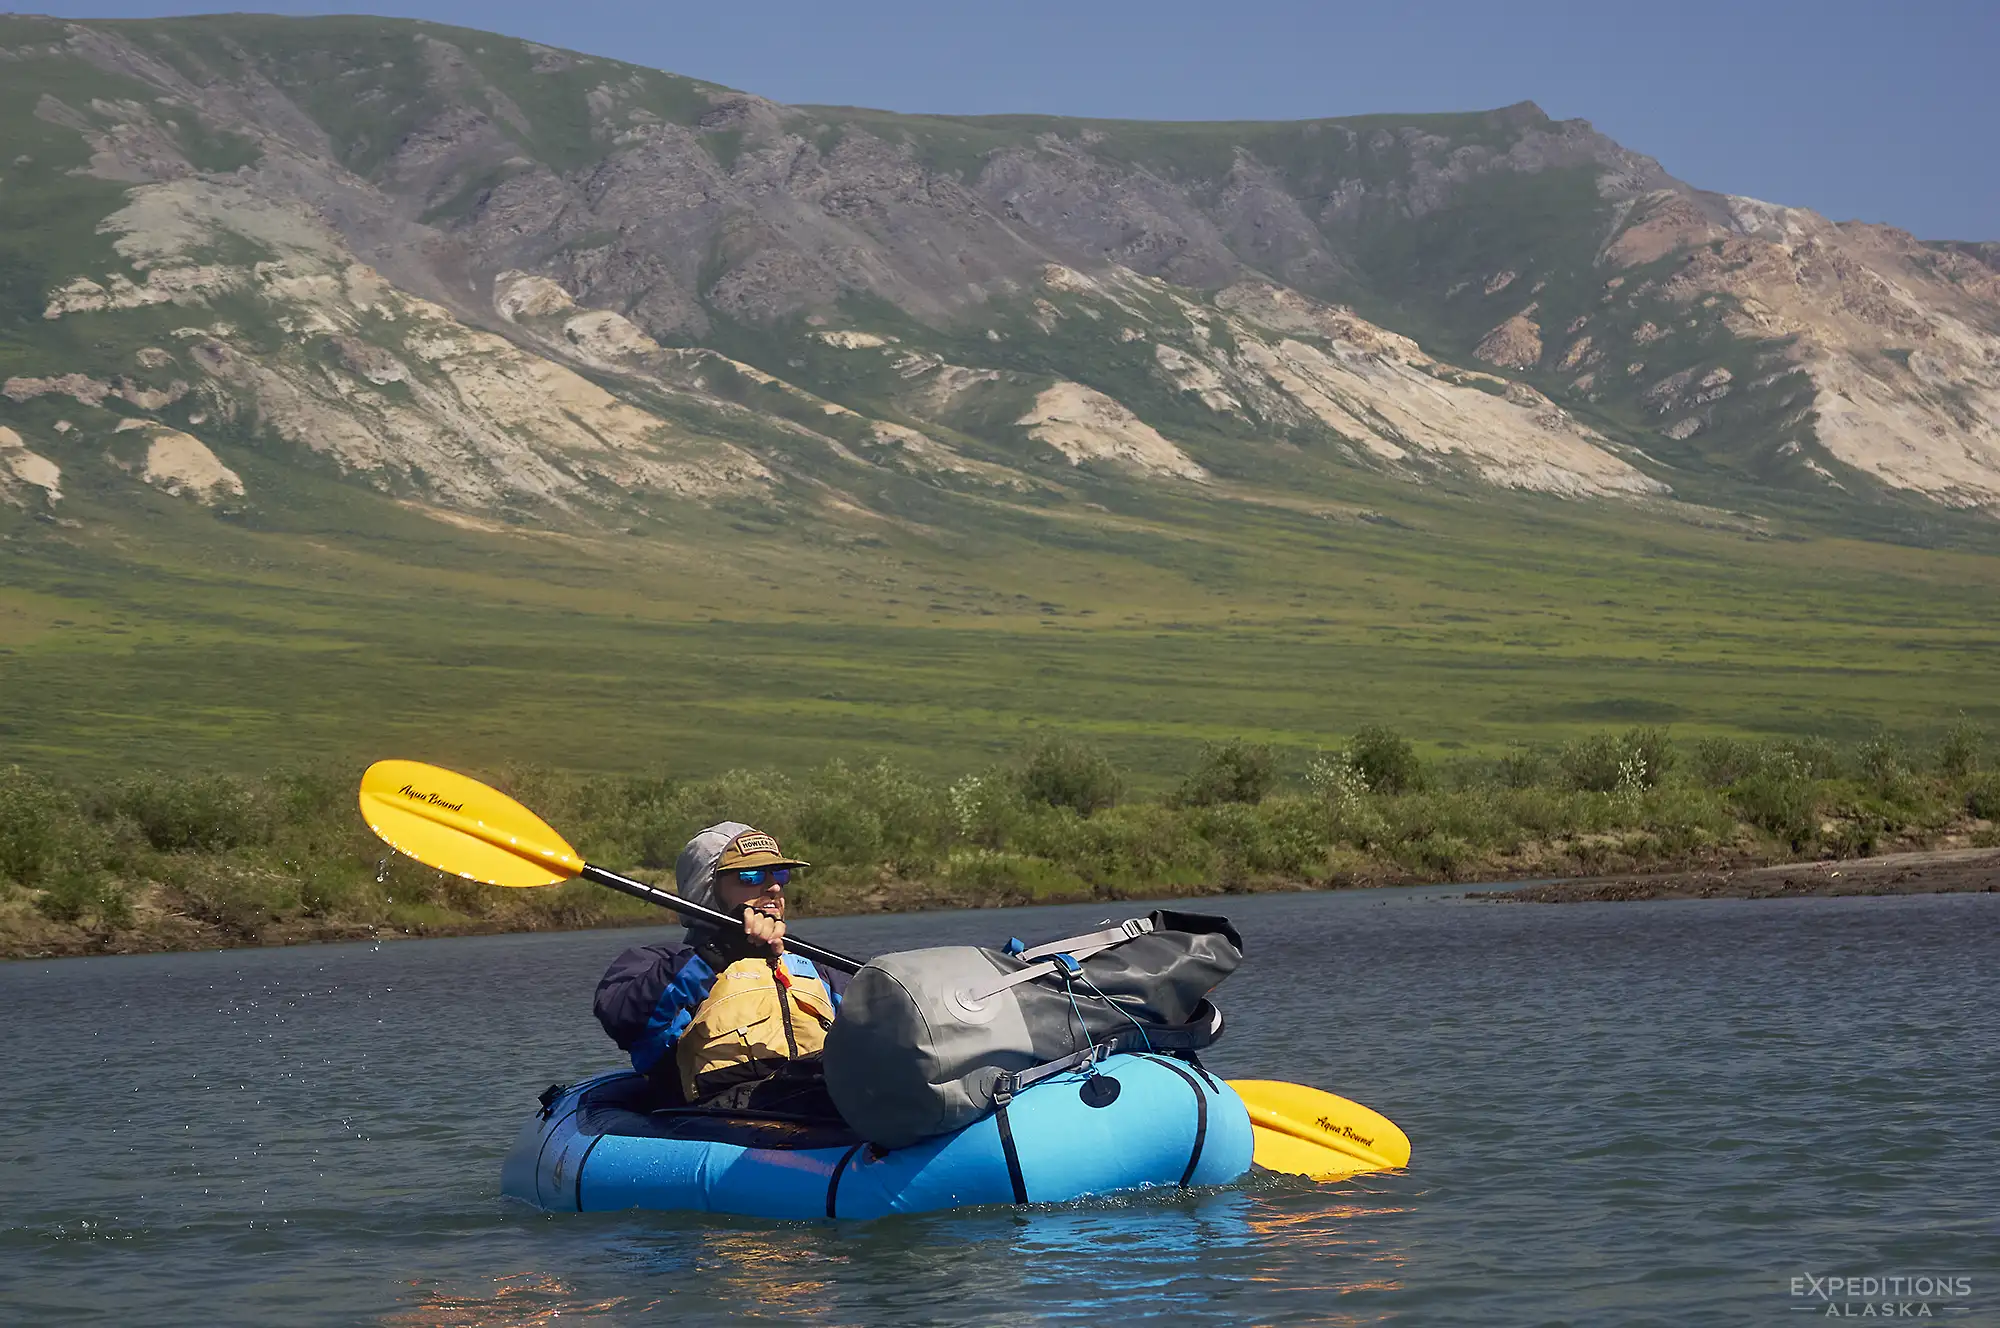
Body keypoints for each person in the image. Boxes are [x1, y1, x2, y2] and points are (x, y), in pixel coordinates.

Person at [593, 822, 847, 1113]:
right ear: (708, 891)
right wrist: (718, 952)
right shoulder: (658, 963)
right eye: (749, 876)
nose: (774, 886)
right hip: (727, 1117)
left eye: (778, 873)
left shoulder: (819, 968)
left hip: (826, 1107)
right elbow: (625, 1019)